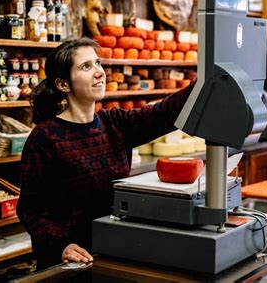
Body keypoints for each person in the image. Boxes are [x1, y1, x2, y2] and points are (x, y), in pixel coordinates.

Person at [16, 38, 195, 269]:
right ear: (63, 85)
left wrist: (201, 84)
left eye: (98, 63)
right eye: (86, 67)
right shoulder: (46, 138)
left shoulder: (114, 123)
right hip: (69, 262)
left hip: (112, 250)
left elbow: (163, 113)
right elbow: (31, 209)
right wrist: (61, 246)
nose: (99, 72)